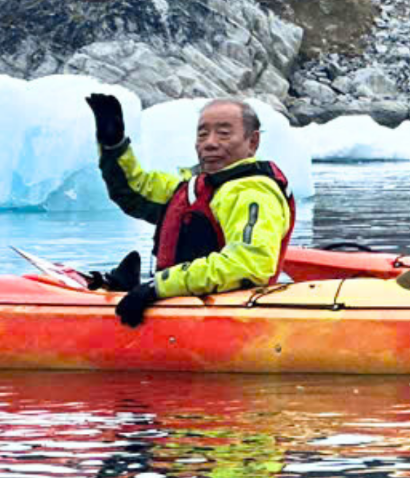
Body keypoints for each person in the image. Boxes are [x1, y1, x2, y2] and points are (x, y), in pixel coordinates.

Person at [84, 93, 294, 327]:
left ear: (252, 142)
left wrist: (158, 286)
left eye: (224, 133)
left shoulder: (253, 193)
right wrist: (114, 146)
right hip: (181, 308)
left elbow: (249, 265)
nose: (210, 142)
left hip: (225, 320)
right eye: (202, 134)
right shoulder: (197, 188)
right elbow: (135, 192)